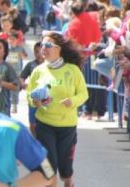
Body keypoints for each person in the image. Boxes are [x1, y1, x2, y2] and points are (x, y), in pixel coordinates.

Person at [26, 32, 89, 187]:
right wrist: (35, 102)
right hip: (45, 124)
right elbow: (29, 95)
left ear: (59, 49)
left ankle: (69, 182)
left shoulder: (72, 70)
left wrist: (72, 101)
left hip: (67, 126)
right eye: (42, 45)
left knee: (65, 168)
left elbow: (83, 94)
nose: (43, 49)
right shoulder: (38, 71)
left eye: (48, 45)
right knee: (49, 165)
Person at [0, 39, 20, 116]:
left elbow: (16, 86)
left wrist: (1, 83)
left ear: (5, 52)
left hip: (3, 105)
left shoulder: (7, 67)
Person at [20, 41, 43, 135]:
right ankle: (34, 139)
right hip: (33, 98)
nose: (39, 54)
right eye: (37, 51)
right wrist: (23, 84)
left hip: (46, 98)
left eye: (41, 51)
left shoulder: (50, 65)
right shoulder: (30, 65)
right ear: (34, 53)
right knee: (32, 122)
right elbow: (22, 77)